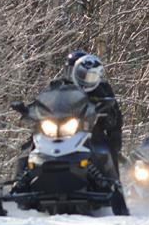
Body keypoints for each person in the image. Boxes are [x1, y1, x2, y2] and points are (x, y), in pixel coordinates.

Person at [13, 50, 123, 179]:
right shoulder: (58, 86)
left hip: (90, 129)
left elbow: (114, 113)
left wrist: (107, 114)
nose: (86, 78)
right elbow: (44, 103)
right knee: (29, 146)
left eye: (90, 76)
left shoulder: (102, 89)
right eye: (82, 74)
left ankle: (113, 184)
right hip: (58, 128)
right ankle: (19, 181)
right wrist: (29, 110)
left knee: (106, 149)